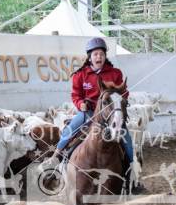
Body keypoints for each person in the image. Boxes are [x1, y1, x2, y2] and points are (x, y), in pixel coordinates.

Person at [51, 37, 142, 193]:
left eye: (101, 54)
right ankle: (55, 160)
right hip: (88, 112)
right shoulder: (80, 75)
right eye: (95, 54)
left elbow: (124, 92)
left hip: (111, 114)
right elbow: (75, 95)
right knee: (70, 129)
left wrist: (119, 103)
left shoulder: (115, 73)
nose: (98, 57)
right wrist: (80, 104)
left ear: (105, 56)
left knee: (127, 142)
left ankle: (130, 176)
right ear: (90, 57)